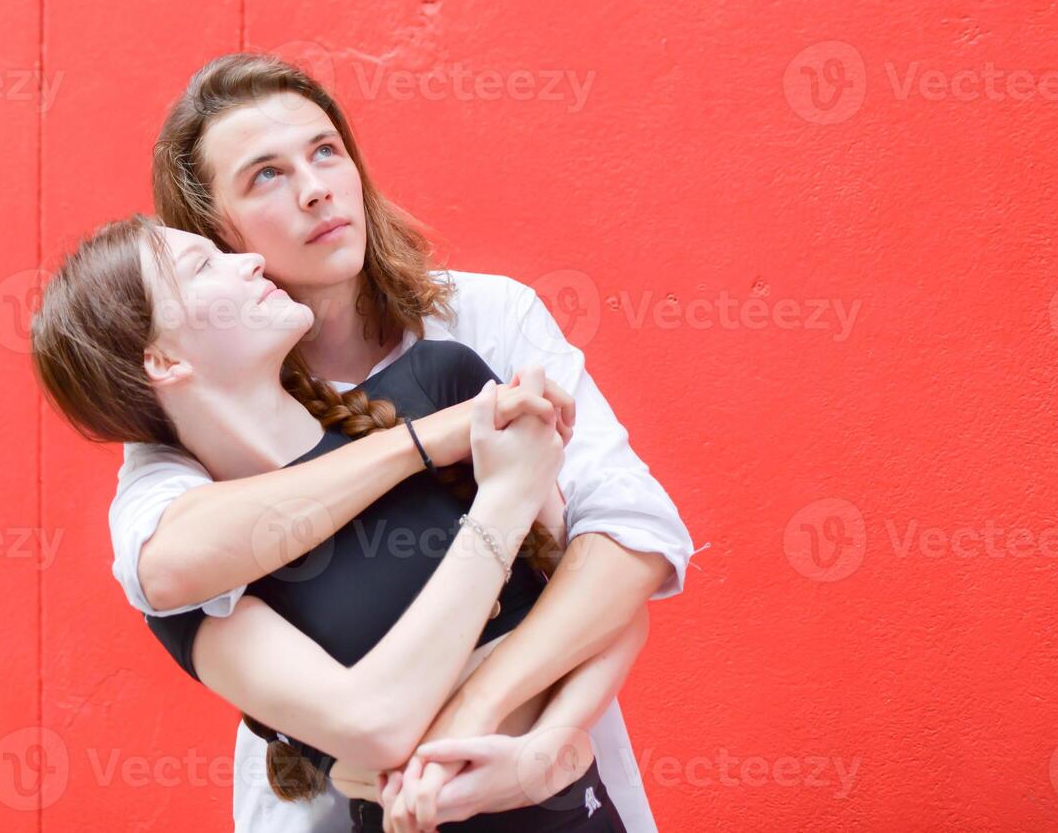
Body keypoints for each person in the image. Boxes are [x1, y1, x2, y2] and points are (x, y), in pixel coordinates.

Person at [109, 53, 694, 830]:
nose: (316, 186)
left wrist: (479, 726)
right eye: (266, 176)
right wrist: (431, 442)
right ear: (221, 238)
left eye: (325, 151)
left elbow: (631, 538)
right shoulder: (192, 433)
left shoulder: (479, 324)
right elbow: (162, 569)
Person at [35, 215, 642, 830]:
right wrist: (503, 503)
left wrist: (548, 750)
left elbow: (605, 602)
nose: (249, 262)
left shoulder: (438, 383)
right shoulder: (206, 567)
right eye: (202, 266)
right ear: (163, 360)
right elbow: (377, 723)